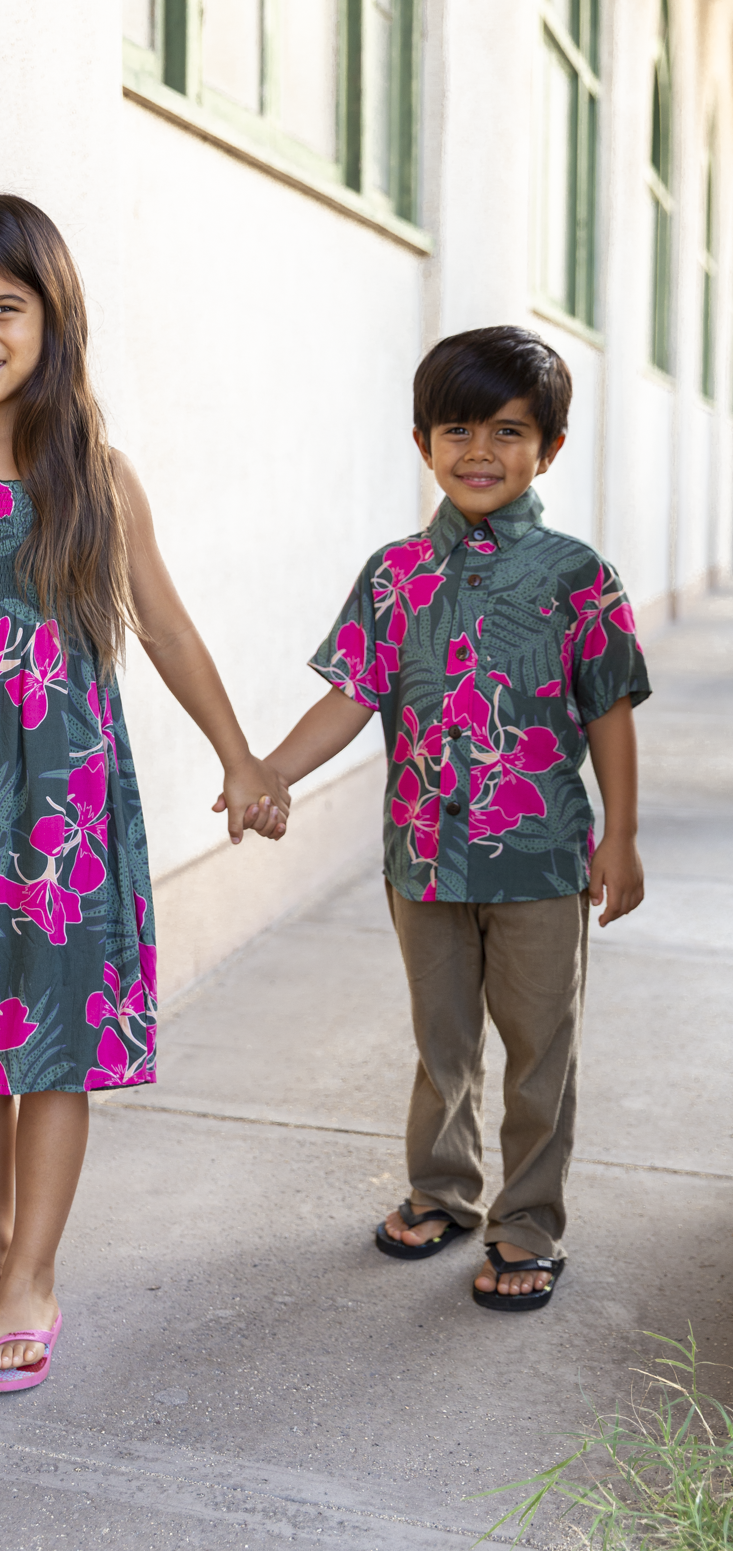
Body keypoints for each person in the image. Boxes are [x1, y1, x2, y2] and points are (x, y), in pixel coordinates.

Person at [0, 192, 289, 1391]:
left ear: (54, 319)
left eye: (5, 306)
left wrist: (240, 757)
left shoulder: (94, 473)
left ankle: (35, 1272)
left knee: (47, 1045)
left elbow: (169, 628)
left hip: (61, 808)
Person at [252, 327, 649, 1312]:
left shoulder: (578, 577)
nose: (480, 450)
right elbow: (350, 696)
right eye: (458, 428)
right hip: (422, 863)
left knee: (537, 1055)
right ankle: (443, 1190)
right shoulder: (393, 578)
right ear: (423, 440)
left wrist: (623, 837)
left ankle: (528, 1225)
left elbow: (608, 712)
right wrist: (272, 770)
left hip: (544, 865)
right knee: (443, 1045)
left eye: (508, 431)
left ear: (549, 448)